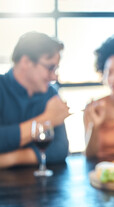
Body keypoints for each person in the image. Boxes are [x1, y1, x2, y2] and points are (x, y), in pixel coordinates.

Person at [0, 31, 70, 169]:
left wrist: (10, 158)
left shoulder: (51, 94)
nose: (54, 77)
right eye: (50, 67)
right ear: (26, 62)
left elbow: (60, 149)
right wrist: (47, 118)